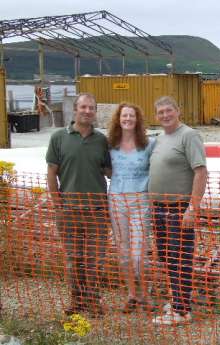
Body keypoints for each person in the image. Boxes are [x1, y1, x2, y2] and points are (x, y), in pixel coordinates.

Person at [46, 93, 111, 316]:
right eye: (83, 107)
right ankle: (76, 301)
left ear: (95, 112)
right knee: (74, 260)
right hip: (69, 211)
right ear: (75, 109)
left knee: (94, 261)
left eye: (91, 108)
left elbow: (110, 171)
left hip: (97, 213)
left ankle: (93, 301)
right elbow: (51, 173)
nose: (87, 111)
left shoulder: (102, 140)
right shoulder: (58, 138)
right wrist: (58, 205)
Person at [149, 96, 207, 325]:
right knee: (166, 256)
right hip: (159, 208)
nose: (165, 115)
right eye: (160, 112)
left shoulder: (189, 135)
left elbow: (201, 172)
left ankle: (181, 311)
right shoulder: (161, 138)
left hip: (178, 208)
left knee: (178, 257)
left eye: (168, 110)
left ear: (178, 111)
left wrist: (192, 207)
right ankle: (178, 298)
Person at [107, 102, 155, 313]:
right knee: (123, 251)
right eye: (124, 116)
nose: (128, 119)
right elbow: (106, 169)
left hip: (140, 201)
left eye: (131, 116)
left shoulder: (148, 144)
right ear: (119, 119)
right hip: (117, 200)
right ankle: (132, 294)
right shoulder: (110, 145)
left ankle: (145, 293)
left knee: (139, 254)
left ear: (137, 120)